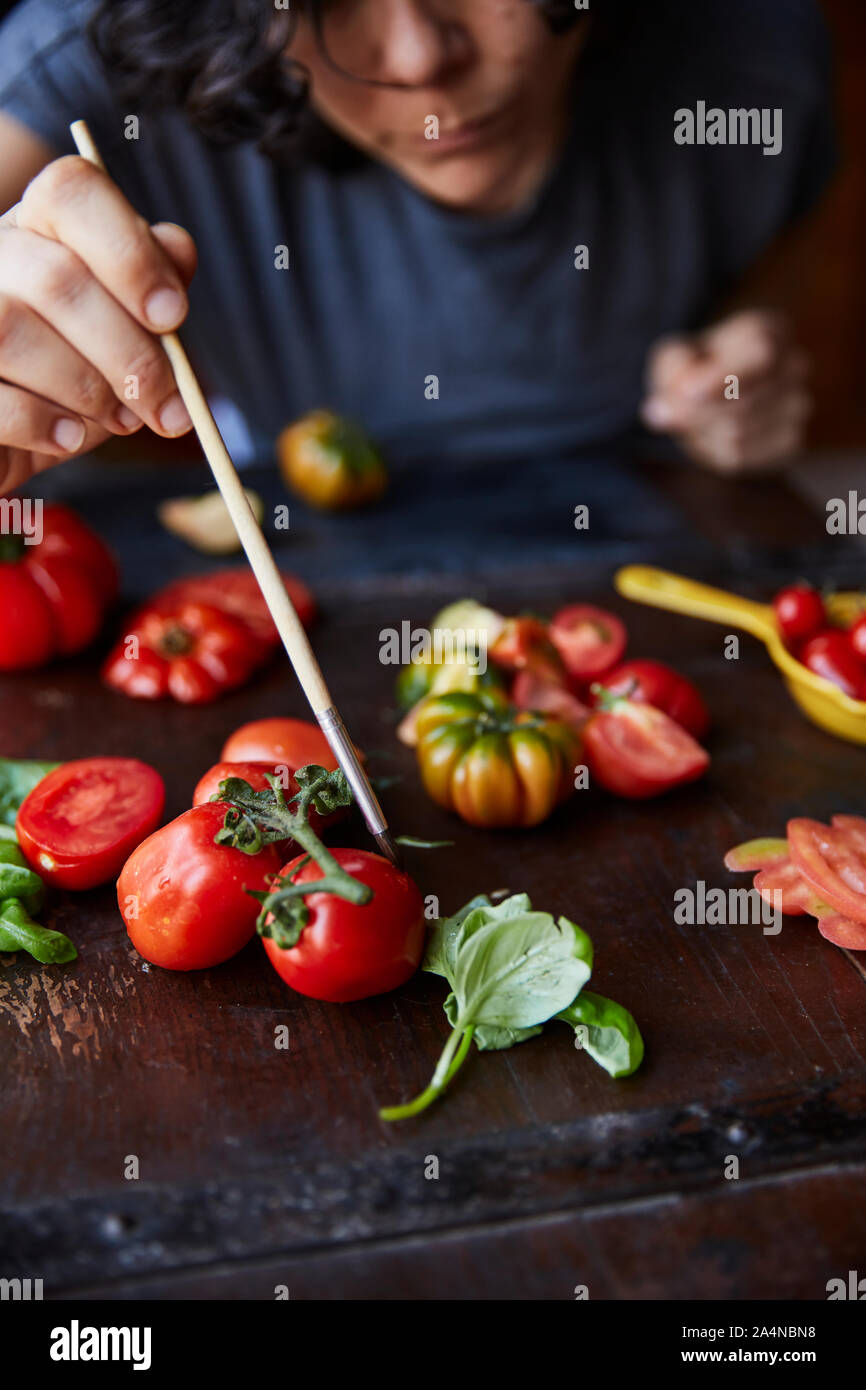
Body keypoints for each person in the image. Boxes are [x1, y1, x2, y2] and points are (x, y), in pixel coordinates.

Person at [0, 0, 835, 496]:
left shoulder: (755, 39)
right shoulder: (105, 45)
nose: (420, 58)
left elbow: (796, 255)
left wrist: (753, 347)